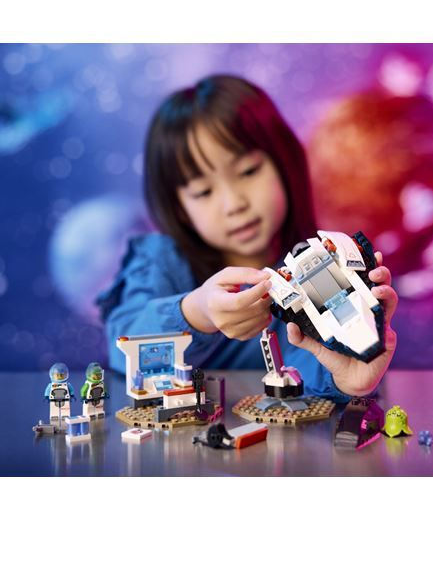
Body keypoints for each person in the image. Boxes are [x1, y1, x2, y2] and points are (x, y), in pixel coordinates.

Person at [97, 75, 398, 402]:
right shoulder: (160, 260)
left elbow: (311, 371)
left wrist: (345, 376)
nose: (234, 204)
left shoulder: (318, 266)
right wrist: (198, 312)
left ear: (283, 164)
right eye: (203, 191)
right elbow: (125, 351)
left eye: (248, 172)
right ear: (179, 208)